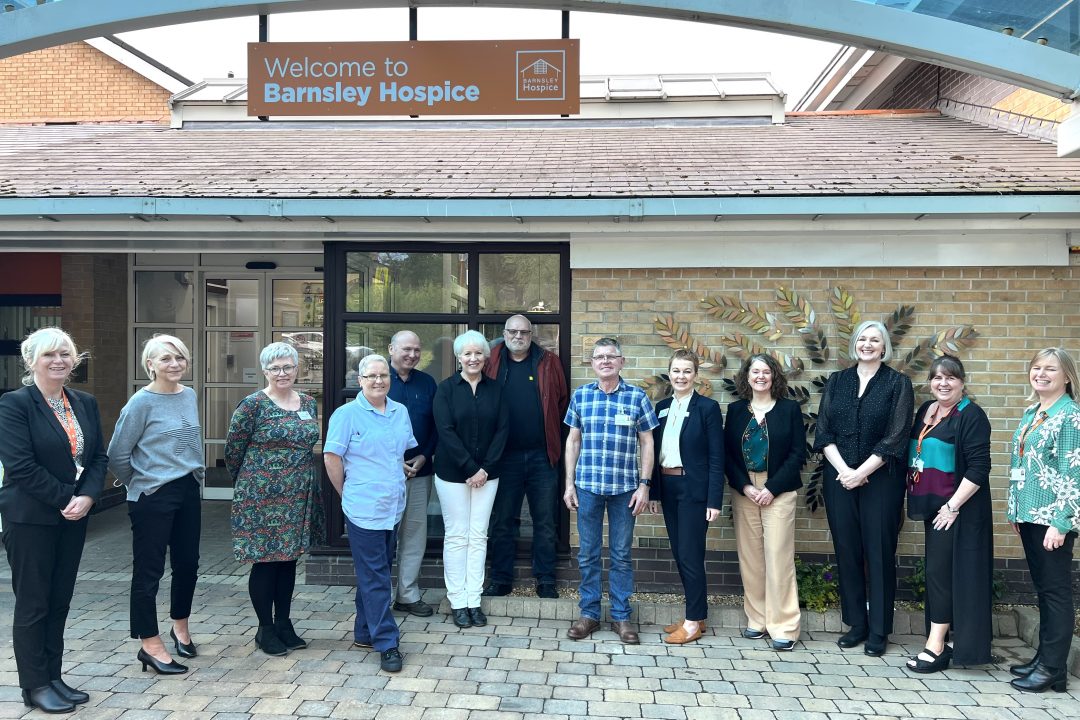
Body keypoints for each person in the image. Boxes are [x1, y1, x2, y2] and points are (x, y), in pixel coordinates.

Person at [0, 328, 107, 713]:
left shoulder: (84, 402)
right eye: (49, 355)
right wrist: (68, 498)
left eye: (65, 354)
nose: (59, 360)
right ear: (31, 361)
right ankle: (34, 684)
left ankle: (54, 676)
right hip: (30, 519)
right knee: (34, 604)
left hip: (72, 517)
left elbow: (98, 458)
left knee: (59, 600)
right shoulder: (15, 405)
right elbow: (21, 466)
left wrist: (89, 496)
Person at [813, 320, 913, 657]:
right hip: (839, 477)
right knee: (847, 549)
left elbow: (897, 436)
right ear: (854, 344)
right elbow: (824, 431)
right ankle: (856, 623)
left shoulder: (897, 384)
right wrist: (845, 471)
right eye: (862, 339)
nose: (867, 345)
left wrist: (863, 471)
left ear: (884, 347)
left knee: (879, 550)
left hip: (881, 480)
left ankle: (880, 629)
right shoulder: (837, 381)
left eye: (874, 340)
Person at [109, 334, 204, 675]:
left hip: (187, 490)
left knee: (187, 563)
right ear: (150, 364)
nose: (175, 364)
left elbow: (186, 441)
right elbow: (117, 454)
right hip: (152, 495)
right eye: (166, 359)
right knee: (149, 570)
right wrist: (141, 482)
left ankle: (181, 626)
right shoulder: (140, 403)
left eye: (180, 357)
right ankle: (149, 643)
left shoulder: (189, 395)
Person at [226, 342, 321, 656]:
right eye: (275, 368)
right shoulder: (253, 405)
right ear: (265, 370)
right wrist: (254, 482)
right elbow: (233, 451)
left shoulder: (308, 403)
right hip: (261, 498)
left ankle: (284, 623)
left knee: (289, 561)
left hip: (297, 496)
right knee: (266, 563)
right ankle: (264, 628)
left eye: (288, 367)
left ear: (297, 369)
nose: (282, 373)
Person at [324, 354, 417, 673]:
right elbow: (332, 457)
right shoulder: (346, 414)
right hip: (363, 508)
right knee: (376, 575)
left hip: (393, 505)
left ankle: (365, 631)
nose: (378, 381)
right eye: (371, 376)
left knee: (378, 570)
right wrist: (345, 493)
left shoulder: (399, 412)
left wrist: (401, 467)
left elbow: (395, 454)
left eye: (383, 375)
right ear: (359, 380)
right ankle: (387, 642)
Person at [563, 337, 658, 644]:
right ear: (592, 363)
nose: (605, 361)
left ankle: (621, 616)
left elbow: (647, 442)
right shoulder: (581, 396)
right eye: (599, 357)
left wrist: (644, 486)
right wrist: (569, 484)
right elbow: (573, 441)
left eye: (611, 356)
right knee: (588, 554)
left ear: (622, 362)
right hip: (588, 487)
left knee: (620, 554)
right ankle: (589, 614)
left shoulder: (637, 397)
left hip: (625, 490)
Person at [903, 355, 992, 673]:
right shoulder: (926, 411)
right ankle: (946, 639)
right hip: (933, 507)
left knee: (939, 576)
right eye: (937, 377)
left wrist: (953, 506)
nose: (943, 383)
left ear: (962, 382)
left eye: (950, 378)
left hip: (957, 510)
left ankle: (936, 646)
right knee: (941, 573)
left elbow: (981, 467)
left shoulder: (971, 415)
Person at [1006, 347, 1080, 693]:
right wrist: (1014, 508)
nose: (1041, 374)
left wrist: (1062, 522)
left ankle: (1052, 668)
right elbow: (1022, 464)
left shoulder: (1070, 416)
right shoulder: (1033, 411)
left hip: (1052, 519)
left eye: (1050, 369)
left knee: (1056, 593)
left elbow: (1074, 473)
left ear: (1066, 376)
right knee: (1044, 591)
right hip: (1030, 515)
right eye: (1036, 367)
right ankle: (1046, 661)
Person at [724, 353, 807, 652]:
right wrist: (745, 486)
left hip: (779, 491)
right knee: (751, 558)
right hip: (745, 490)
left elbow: (799, 453)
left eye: (766, 372)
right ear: (746, 377)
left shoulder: (789, 410)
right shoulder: (735, 411)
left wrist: (771, 488)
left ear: (774, 377)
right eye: (755, 371)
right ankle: (757, 620)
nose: (761, 376)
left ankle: (784, 626)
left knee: (778, 557)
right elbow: (727, 455)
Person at [484, 315, 569, 599]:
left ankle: (545, 579)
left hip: (541, 456)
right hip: (503, 456)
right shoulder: (491, 358)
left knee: (544, 520)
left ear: (531, 334)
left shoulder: (548, 361)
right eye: (513, 331)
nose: (518, 336)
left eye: (523, 332)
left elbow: (561, 403)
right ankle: (500, 578)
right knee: (503, 519)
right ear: (504, 333)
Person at [433, 330, 509, 629]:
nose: (473, 358)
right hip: (452, 475)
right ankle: (457, 600)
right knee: (456, 536)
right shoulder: (446, 390)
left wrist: (485, 469)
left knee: (478, 536)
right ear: (458, 357)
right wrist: (470, 468)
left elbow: (503, 431)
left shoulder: (497, 390)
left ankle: (473, 600)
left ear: (486, 357)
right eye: (468, 353)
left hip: (489, 475)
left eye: (479, 353)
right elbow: (446, 431)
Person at [649, 349, 724, 645]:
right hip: (668, 488)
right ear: (669, 374)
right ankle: (696, 615)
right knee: (681, 554)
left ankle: (692, 623)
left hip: (694, 490)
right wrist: (654, 491)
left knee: (691, 555)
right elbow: (653, 453)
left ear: (695, 375)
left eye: (687, 371)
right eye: (676, 371)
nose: (681, 376)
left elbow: (717, 457)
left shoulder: (707, 407)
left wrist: (713, 500)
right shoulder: (662, 406)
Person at [386, 330, 438, 618]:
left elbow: (437, 425)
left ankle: (407, 594)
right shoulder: (379, 380)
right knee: (383, 536)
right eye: (406, 349)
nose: (412, 355)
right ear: (391, 348)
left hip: (420, 471)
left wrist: (424, 454)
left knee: (414, 534)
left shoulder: (427, 383)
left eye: (417, 350)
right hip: (384, 473)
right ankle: (379, 596)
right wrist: (395, 462)